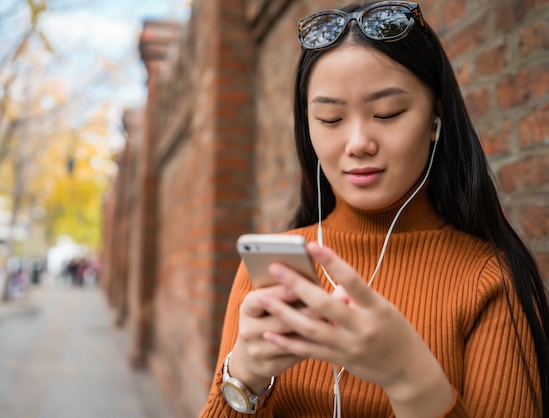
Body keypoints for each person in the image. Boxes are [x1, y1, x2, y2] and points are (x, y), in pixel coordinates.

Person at [199, 2, 549, 417]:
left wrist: (409, 378)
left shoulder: (489, 280)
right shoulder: (273, 270)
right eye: (330, 119)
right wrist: (242, 380)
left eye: (387, 113)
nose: (358, 142)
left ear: (436, 119)